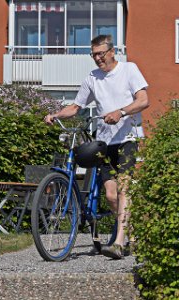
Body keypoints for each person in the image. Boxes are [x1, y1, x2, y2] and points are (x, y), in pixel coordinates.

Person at [44, 35, 149, 259]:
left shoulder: (129, 69)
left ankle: (119, 243)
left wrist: (120, 112)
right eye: (94, 55)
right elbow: (75, 106)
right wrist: (55, 114)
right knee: (111, 196)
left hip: (127, 137)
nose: (98, 58)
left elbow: (143, 100)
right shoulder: (92, 77)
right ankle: (134, 233)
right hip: (104, 141)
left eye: (101, 53)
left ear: (112, 51)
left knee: (124, 188)